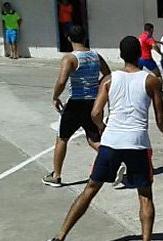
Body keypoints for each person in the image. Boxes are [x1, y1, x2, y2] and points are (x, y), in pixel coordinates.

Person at [44, 35, 163, 241]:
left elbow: (95, 113)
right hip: (138, 144)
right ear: (140, 54)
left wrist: (104, 129)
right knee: (145, 195)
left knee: (90, 190)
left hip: (111, 143)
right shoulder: (151, 80)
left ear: (121, 55)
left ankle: (58, 238)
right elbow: (160, 118)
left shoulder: (109, 80)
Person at [42, 25, 112, 187]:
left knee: (62, 138)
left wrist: (55, 96)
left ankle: (56, 175)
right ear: (85, 37)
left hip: (76, 103)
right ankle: (114, 161)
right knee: (93, 138)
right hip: (93, 103)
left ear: (69, 39)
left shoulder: (70, 59)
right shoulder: (96, 56)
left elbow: (62, 80)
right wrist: (98, 87)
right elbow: (108, 75)